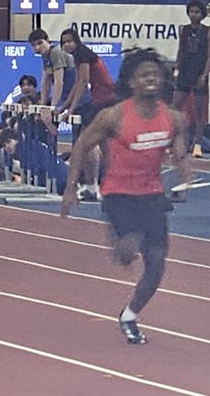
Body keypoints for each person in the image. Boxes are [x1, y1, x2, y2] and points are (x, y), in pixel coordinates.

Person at [61, 49, 193, 345]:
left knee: (157, 262)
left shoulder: (173, 118)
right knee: (127, 251)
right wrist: (71, 187)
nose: (151, 79)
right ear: (131, 82)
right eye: (144, 74)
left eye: (155, 74)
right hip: (119, 192)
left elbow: (179, 148)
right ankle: (120, 239)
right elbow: (82, 145)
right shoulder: (114, 116)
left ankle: (130, 315)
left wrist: (184, 169)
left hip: (152, 194)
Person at [60, 28, 116, 200]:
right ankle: (109, 185)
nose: (66, 45)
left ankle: (94, 186)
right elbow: (78, 82)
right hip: (101, 98)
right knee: (105, 146)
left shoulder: (83, 54)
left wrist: (70, 109)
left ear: (77, 41)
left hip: (104, 99)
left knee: (87, 142)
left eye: (69, 41)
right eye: (63, 42)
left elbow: (83, 82)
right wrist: (65, 106)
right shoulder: (78, 56)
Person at [172, 0, 210, 158]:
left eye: (197, 12)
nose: (194, 15)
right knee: (175, 106)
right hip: (185, 71)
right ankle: (173, 140)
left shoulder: (208, 32)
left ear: (202, 14)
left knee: (198, 111)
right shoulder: (184, 30)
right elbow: (181, 50)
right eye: (191, 12)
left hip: (199, 72)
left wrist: (204, 74)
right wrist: (176, 68)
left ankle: (198, 143)